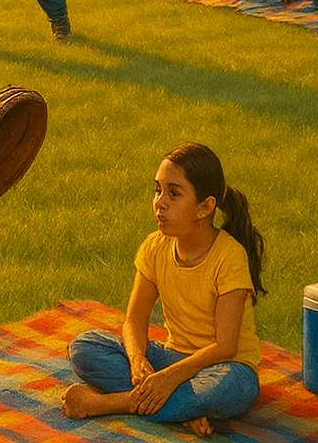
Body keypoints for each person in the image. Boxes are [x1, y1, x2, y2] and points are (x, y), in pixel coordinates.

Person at [62, 143, 265, 438]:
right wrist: (138, 361)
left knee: (232, 388)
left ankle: (109, 403)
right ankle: (182, 409)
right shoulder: (155, 247)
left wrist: (167, 379)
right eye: (158, 189)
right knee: (85, 346)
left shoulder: (229, 257)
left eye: (174, 193)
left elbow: (225, 347)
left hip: (225, 368)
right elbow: (133, 321)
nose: (160, 202)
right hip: (172, 359)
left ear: (205, 207)